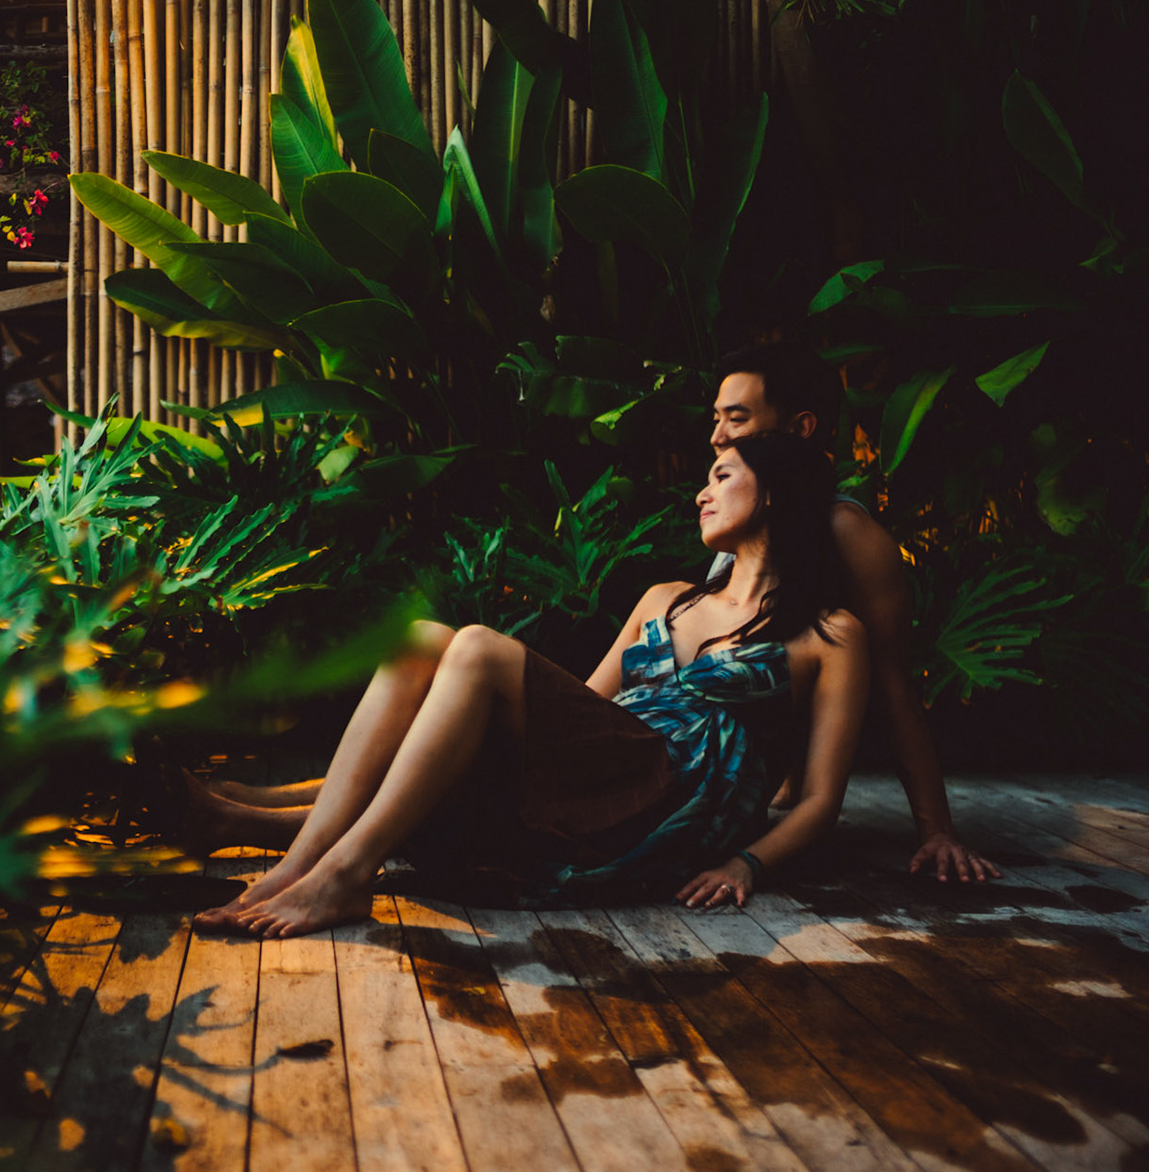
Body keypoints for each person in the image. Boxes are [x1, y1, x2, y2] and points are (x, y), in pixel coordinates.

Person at [191, 433, 870, 938]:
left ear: (776, 491)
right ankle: (297, 866)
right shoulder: (667, 598)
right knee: (422, 640)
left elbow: (818, 801)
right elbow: (588, 706)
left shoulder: (830, 634)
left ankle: (342, 876)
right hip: (606, 774)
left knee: (479, 647)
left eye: (722, 476)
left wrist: (748, 863)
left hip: (672, 797)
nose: (702, 492)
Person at [709, 343, 998, 882]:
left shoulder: (847, 532)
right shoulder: (739, 514)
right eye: (718, 418)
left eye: (738, 418)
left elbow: (892, 687)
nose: (718, 435)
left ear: (801, 428)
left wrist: (936, 830)